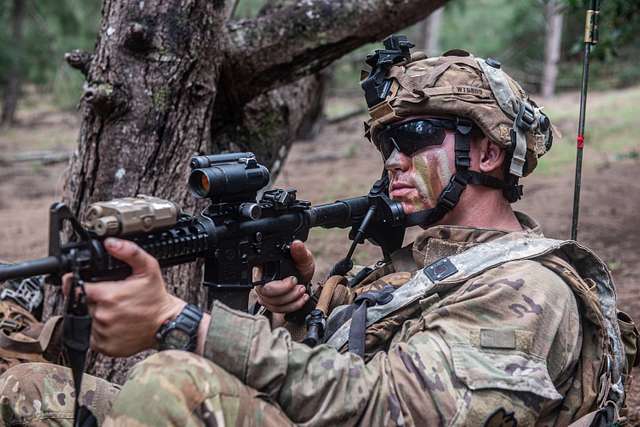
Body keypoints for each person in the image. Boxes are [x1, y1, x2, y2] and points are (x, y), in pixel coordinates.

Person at [1, 38, 637, 427]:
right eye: (387, 141)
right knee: (31, 388)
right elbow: (341, 367)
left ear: (491, 154)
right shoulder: (416, 267)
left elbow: (392, 410)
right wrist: (301, 318)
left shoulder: (526, 289)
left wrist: (182, 322)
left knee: (172, 382)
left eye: (412, 137)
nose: (392, 158)